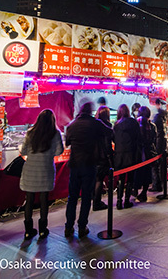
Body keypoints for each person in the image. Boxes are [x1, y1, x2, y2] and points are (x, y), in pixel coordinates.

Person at [64, 100, 114, 239]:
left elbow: (67, 142)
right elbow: (110, 131)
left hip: (74, 165)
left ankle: (68, 227)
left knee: (72, 197)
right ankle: (81, 227)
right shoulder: (95, 123)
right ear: (91, 111)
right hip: (90, 164)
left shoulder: (72, 125)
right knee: (86, 197)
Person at [18, 109, 64, 240]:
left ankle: (28, 231)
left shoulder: (30, 133)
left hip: (30, 170)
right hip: (46, 169)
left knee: (29, 200)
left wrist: (21, 149)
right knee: (44, 200)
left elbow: (24, 151)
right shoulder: (55, 133)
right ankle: (43, 229)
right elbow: (59, 151)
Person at [113, 104, 140, 210]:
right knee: (130, 178)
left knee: (121, 178)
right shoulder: (133, 122)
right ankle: (127, 200)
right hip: (131, 153)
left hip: (119, 155)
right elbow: (138, 137)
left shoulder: (116, 124)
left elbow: (114, 139)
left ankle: (119, 201)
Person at [92, 105, 114, 211]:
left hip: (93, 156)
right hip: (102, 156)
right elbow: (107, 145)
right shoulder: (107, 126)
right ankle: (97, 202)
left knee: (96, 179)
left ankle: (95, 200)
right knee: (99, 180)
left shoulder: (94, 125)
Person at [134, 106, 157, 202]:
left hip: (138, 152)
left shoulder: (136, 124)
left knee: (136, 172)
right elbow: (154, 139)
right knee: (147, 172)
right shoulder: (152, 126)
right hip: (148, 152)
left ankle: (134, 190)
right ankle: (144, 192)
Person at [150, 98, 167, 192]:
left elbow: (154, 131)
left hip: (158, 142)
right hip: (162, 142)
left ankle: (157, 185)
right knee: (161, 164)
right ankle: (161, 184)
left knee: (156, 165)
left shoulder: (157, 117)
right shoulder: (163, 115)